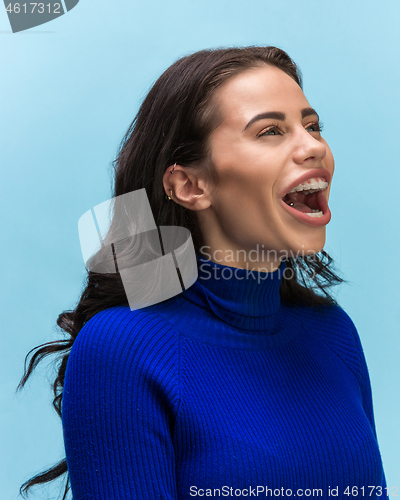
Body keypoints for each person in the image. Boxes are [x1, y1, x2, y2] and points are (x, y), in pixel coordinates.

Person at [18, 46, 389, 500]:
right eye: (271, 131)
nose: (314, 146)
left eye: (313, 127)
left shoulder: (333, 334)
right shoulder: (121, 349)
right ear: (191, 185)